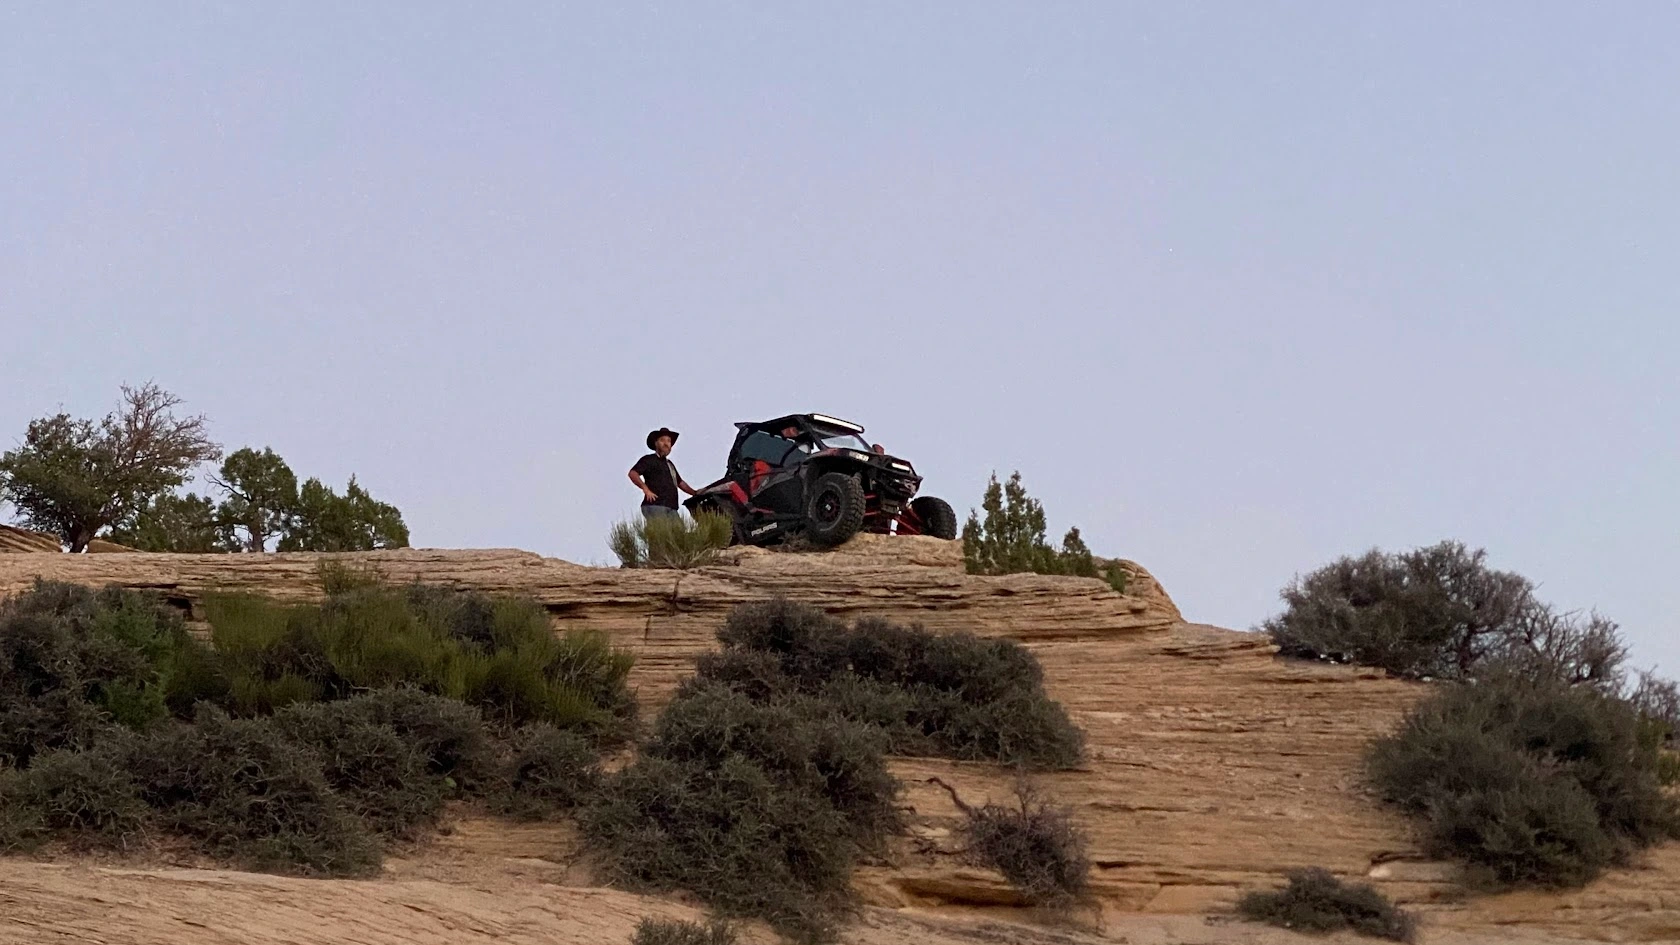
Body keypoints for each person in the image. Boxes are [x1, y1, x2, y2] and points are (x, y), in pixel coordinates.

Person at [628, 427, 695, 519]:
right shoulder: (649, 459)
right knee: (661, 531)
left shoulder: (669, 464)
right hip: (655, 505)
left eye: (668, 441)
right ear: (656, 443)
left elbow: (680, 483)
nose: (666, 443)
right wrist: (646, 489)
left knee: (678, 531)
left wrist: (695, 493)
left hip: (672, 508)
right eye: (662, 440)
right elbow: (633, 473)